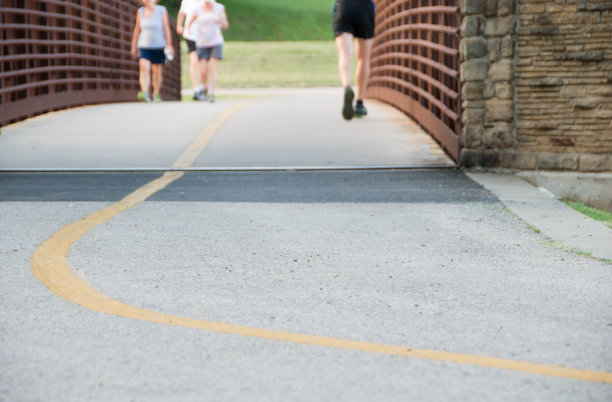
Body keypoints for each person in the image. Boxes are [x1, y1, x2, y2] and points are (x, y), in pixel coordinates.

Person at [333, 0, 375, 120]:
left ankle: (346, 86)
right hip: (364, 6)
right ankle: (359, 103)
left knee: (345, 55)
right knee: (363, 59)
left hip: (343, 5)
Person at [131, 0, 174, 103]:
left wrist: (169, 44)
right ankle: (145, 92)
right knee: (144, 68)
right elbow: (137, 29)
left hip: (159, 45)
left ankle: (156, 93)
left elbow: (166, 27)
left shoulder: (162, 10)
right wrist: (134, 46)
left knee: (157, 71)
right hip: (144, 45)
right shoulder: (140, 11)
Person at [187, 0, 229, 103]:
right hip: (202, 42)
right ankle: (205, 88)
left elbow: (225, 25)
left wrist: (220, 20)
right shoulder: (197, 8)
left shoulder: (219, 8)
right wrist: (189, 30)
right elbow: (190, 22)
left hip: (216, 41)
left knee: (213, 67)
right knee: (203, 70)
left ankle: (212, 93)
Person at [176, 0, 205, 100]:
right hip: (191, 34)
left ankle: (203, 86)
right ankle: (196, 88)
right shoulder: (187, 1)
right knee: (194, 60)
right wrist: (179, 25)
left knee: (203, 62)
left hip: (204, 35)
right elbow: (181, 13)